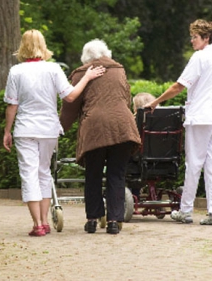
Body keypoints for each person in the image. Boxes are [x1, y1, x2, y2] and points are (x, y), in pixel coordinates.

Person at [3, 29, 105, 237]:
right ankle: (45, 222)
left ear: (22, 47)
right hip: (48, 129)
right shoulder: (53, 69)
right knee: (44, 173)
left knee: (28, 174)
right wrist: (86, 77)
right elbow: (70, 96)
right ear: (43, 45)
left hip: (25, 129)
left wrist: (7, 131)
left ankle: (38, 223)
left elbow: (12, 105)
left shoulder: (16, 72)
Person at [145, 19, 212, 226]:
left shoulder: (200, 57)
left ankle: (185, 211)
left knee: (193, 164)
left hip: (201, 118)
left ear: (206, 38)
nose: (192, 41)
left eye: (195, 37)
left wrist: (155, 102)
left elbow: (179, 86)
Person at [60, 39, 141, 234]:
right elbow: (126, 98)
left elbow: (70, 107)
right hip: (122, 126)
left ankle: (92, 219)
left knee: (93, 173)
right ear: (106, 54)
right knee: (116, 174)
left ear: (86, 58)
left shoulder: (81, 73)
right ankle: (114, 220)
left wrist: (60, 128)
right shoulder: (119, 70)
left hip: (95, 128)